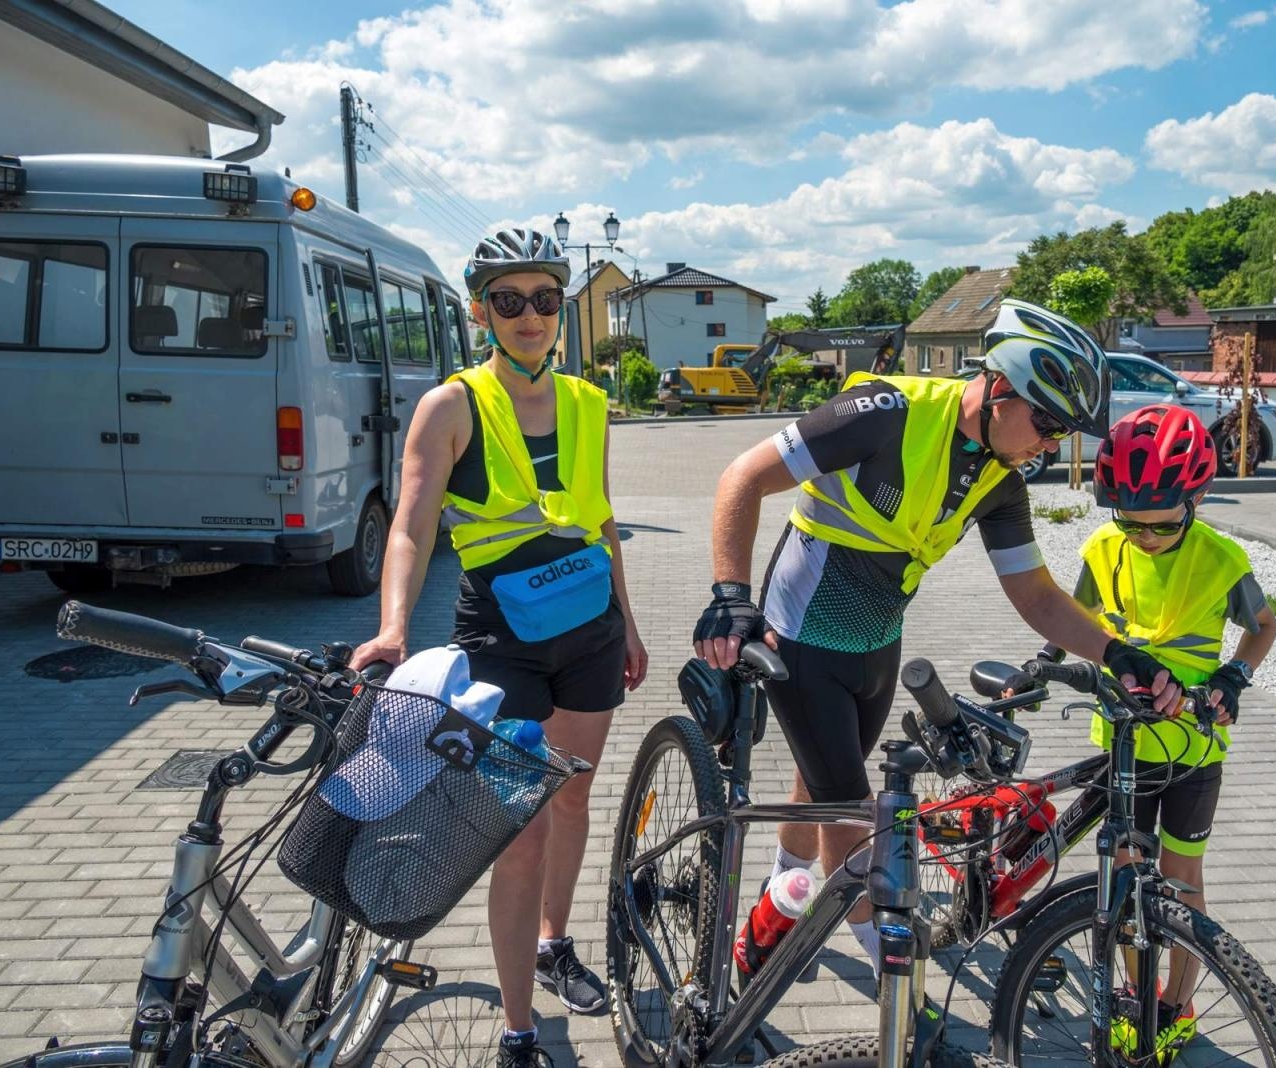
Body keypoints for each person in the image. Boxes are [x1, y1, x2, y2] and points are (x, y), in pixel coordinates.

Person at [692, 298, 1183, 978]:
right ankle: (879, 961)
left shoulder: (1000, 481)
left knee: (824, 777)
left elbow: (1037, 595)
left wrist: (1118, 652)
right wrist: (729, 595)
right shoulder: (885, 412)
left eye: (1065, 432)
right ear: (999, 387)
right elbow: (742, 478)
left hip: (876, 642)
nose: (1051, 445)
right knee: (855, 820)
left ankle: (783, 892)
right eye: (1047, 423)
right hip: (801, 631)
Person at [352, 227, 648, 1067]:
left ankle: (556, 945)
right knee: (518, 832)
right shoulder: (451, 405)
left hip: (589, 628)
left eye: (545, 299)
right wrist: (393, 627)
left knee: (572, 800)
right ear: (480, 311)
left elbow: (600, 519)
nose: (529, 315)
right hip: (500, 638)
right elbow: (410, 526)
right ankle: (518, 1028)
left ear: (561, 309)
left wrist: (628, 621)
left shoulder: (588, 401)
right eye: (508, 300)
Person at [1065, 403, 1276, 1061]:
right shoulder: (1102, 549)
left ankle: (1176, 1003)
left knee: (1183, 880)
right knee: (1128, 878)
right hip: (1124, 744)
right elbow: (1077, 618)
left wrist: (1235, 675)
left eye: (1162, 524)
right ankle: (1139, 996)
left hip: (1192, 749)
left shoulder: (1222, 558)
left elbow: (1264, 626)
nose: (1146, 537)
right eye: (1130, 522)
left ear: (1197, 498)